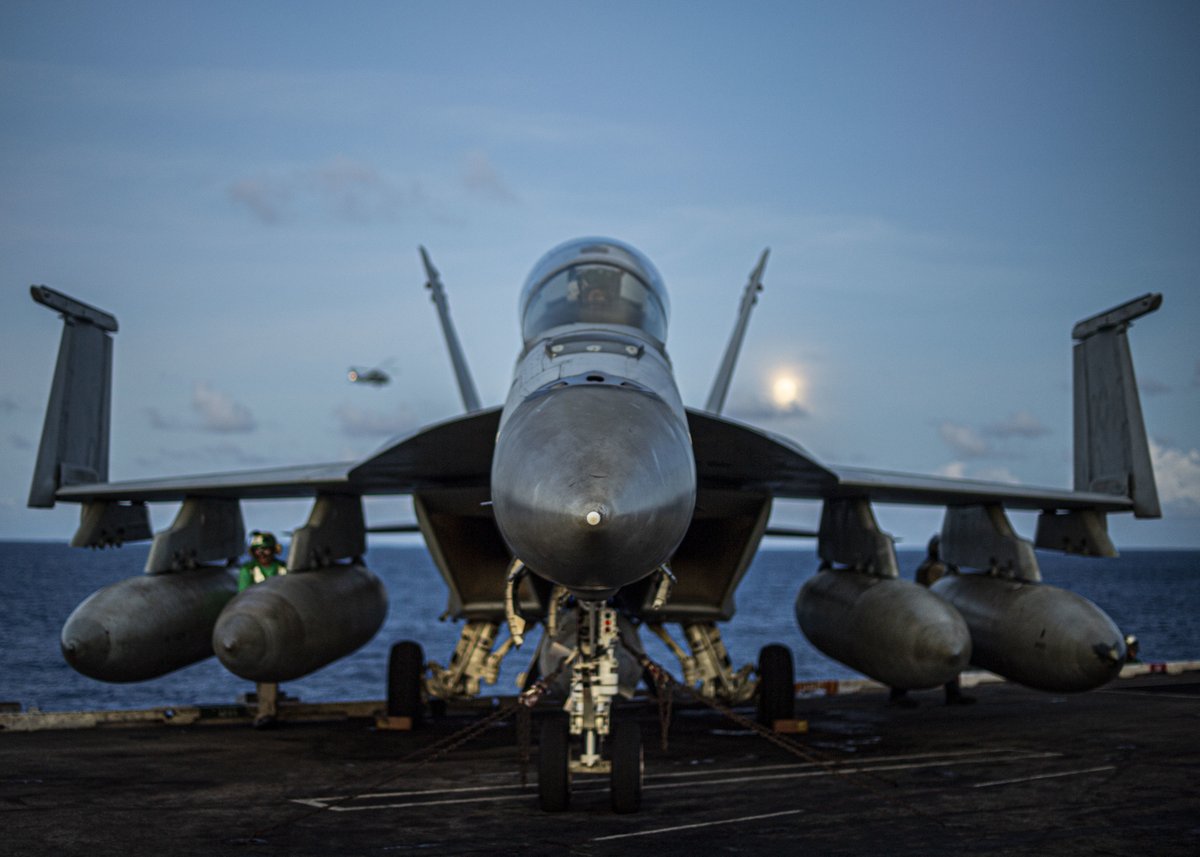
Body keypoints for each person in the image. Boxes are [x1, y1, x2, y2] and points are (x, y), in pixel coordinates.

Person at [890, 535, 975, 707]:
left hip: (931, 618)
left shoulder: (929, 567)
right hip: (934, 618)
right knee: (923, 657)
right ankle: (900, 694)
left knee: (945, 656)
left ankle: (951, 694)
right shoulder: (935, 569)